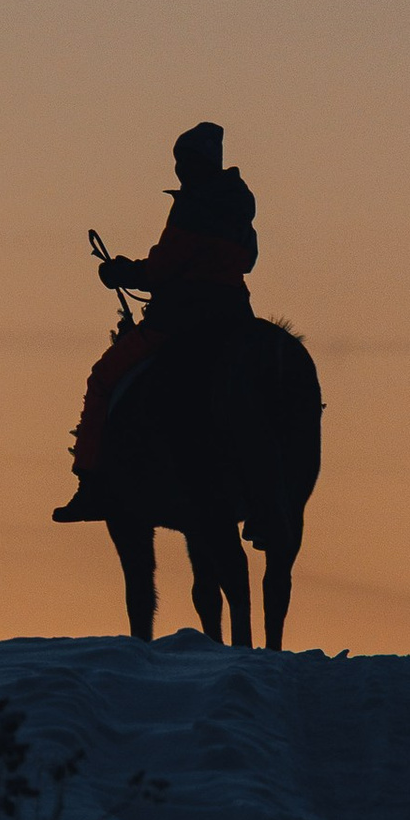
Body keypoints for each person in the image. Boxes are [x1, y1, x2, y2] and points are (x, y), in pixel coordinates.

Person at [52, 122, 259, 521]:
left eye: (183, 161)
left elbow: (163, 268)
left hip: (180, 321)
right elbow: (248, 261)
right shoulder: (240, 203)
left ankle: (90, 484)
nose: (180, 169)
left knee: (103, 377)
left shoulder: (192, 204)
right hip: (235, 317)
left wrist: (123, 273)